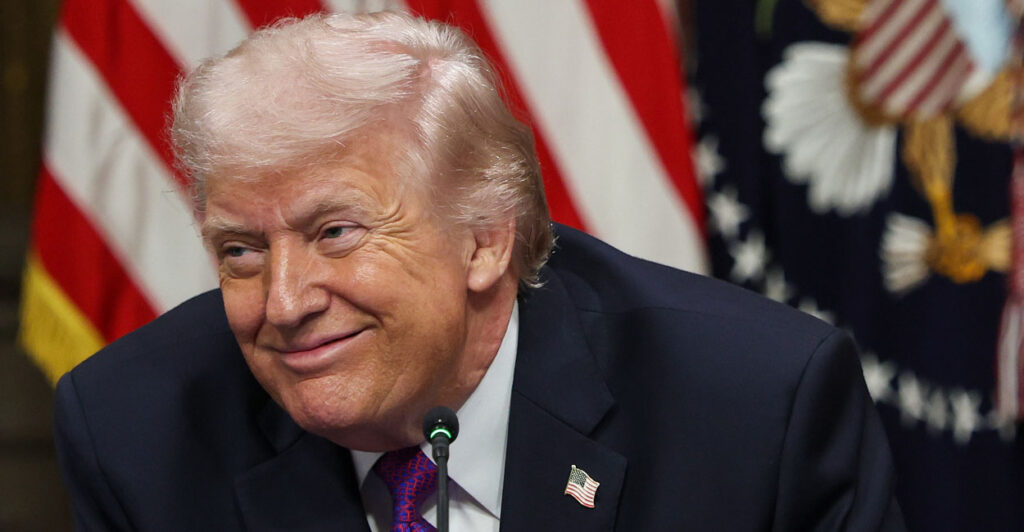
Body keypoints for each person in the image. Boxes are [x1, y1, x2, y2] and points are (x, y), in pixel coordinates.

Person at [53, 10, 904, 531]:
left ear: (486, 239)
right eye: (241, 250)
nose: (283, 303)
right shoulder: (137, 429)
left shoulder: (754, 409)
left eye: (337, 233)